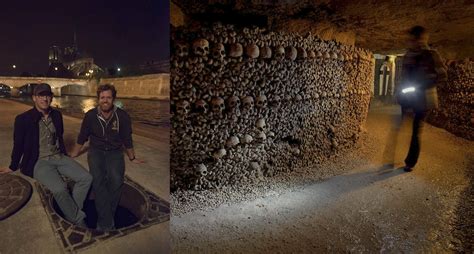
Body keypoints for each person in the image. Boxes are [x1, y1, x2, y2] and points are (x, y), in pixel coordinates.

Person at [0, 83, 92, 227]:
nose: (45, 99)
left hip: (58, 156)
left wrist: (65, 154)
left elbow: (59, 136)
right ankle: (78, 220)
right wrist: (13, 165)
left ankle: (71, 211)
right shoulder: (23, 119)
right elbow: (18, 145)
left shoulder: (57, 115)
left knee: (86, 178)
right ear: (34, 98)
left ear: (51, 98)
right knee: (60, 188)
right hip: (39, 161)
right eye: (41, 95)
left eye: (47, 95)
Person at [70, 84, 141, 231]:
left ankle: (104, 221)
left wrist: (132, 157)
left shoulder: (122, 116)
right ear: (98, 99)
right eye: (102, 97)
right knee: (98, 181)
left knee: (116, 180)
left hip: (115, 152)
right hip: (96, 151)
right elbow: (82, 136)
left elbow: (127, 139)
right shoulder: (90, 115)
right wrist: (74, 153)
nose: (105, 100)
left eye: (108, 97)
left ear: (113, 99)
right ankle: (107, 224)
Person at [394, 25, 447, 172]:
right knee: (398, 126)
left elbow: (443, 75)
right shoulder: (408, 56)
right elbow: (403, 77)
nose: (414, 42)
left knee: (416, 130)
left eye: (416, 39)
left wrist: (426, 83)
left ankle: (410, 162)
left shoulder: (432, 55)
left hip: (424, 100)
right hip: (409, 97)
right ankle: (391, 156)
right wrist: (401, 92)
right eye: (412, 39)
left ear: (422, 39)